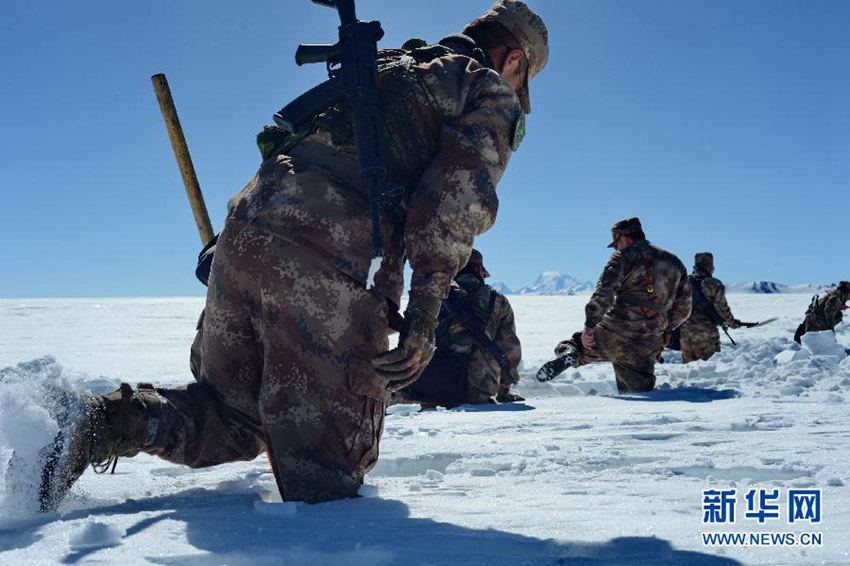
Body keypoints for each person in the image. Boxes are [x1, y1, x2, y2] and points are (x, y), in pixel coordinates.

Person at [33, 0, 549, 511]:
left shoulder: (383, 68)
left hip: (242, 239)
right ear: (513, 60)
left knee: (231, 416)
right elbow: (453, 202)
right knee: (325, 483)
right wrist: (425, 313)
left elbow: (289, 150)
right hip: (331, 267)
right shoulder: (479, 86)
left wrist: (236, 251)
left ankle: (103, 420)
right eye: (521, 80)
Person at [547, 217, 692, 393]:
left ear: (625, 238)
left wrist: (590, 326)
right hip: (649, 337)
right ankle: (637, 401)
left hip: (617, 330)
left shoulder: (622, 258)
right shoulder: (674, 262)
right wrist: (665, 329)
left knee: (576, 345)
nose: (616, 248)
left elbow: (604, 294)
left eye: (616, 243)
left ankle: (571, 354)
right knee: (637, 387)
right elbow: (685, 307)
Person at [392, 249, 523, 408]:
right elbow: (510, 350)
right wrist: (504, 390)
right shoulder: (496, 300)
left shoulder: (433, 296)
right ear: (478, 270)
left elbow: (412, 338)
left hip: (429, 389)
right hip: (476, 392)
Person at [678, 253, 742, 363]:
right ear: (710, 267)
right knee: (708, 370)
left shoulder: (684, 284)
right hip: (706, 334)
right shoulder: (713, 284)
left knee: (689, 370)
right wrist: (731, 322)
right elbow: (722, 308)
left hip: (685, 334)